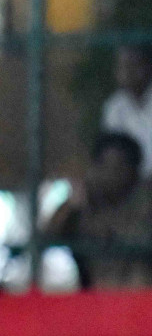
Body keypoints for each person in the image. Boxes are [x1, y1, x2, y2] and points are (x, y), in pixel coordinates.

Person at [42, 132, 152, 289]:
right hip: (96, 301)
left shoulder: (146, 201)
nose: (111, 174)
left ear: (134, 170)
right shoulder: (85, 202)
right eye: (104, 165)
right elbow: (47, 237)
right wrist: (71, 205)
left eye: (119, 167)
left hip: (141, 299)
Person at [101, 45, 152, 179]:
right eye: (123, 67)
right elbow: (113, 152)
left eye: (133, 65)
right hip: (129, 184)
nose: (127, 72)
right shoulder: (114, 107)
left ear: (147, 66)